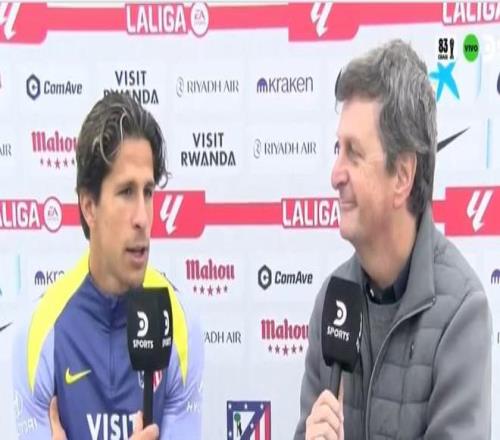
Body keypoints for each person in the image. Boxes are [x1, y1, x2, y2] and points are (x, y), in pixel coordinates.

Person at [294, 39, 491, 440]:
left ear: (402, 176)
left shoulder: (461, 313)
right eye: (337, 149)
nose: (335, 175)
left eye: (353, 153)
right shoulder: (333, 300)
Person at [12, 92, 204, 439]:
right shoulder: (38, 333)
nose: (143, 218)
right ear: (89, 206)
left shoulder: (179, 323)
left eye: (148, 192)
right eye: (126, 192)